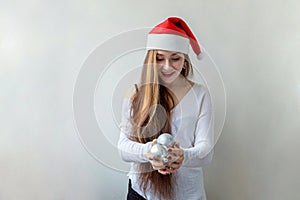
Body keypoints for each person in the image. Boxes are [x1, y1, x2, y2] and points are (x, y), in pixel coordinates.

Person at [118, 17, 214, 200]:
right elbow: (123, 148)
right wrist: (149, 152)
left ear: (185, 59)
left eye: (175, 58)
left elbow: (206, 151)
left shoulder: (200, 95)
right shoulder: (136, 94)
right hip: (142, 193)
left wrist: (182, 156)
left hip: (188, 195)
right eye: (160, 58)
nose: (167, 67)